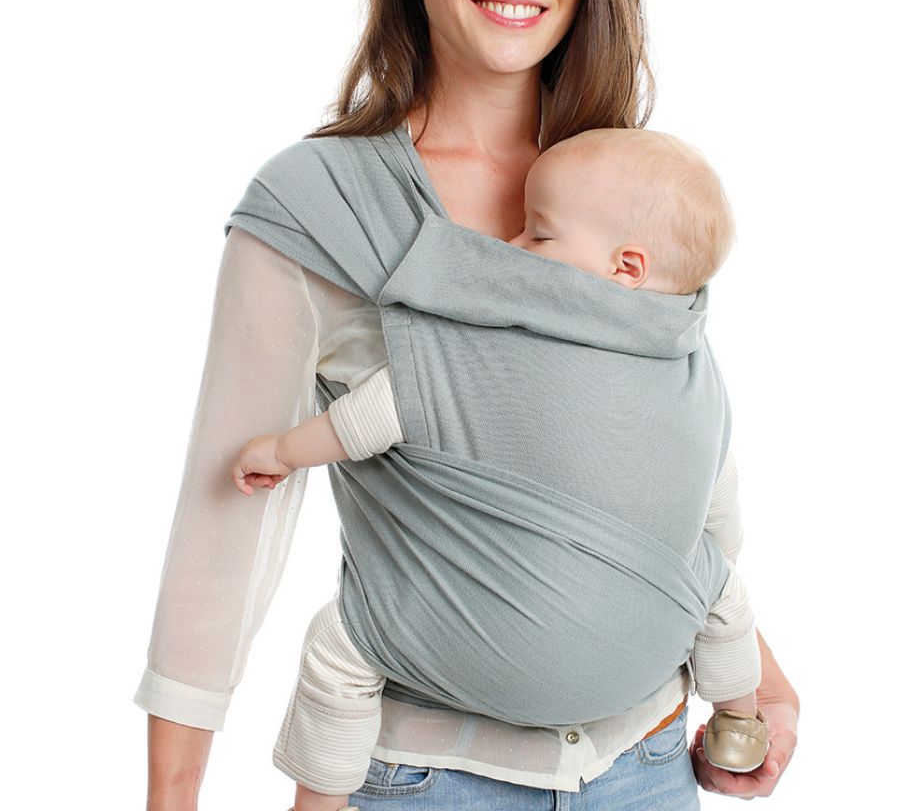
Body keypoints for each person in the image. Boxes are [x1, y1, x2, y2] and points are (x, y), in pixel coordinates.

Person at [136, 0, 799, 809]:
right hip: (430, 779)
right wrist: (170, 800)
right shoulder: (320, 208)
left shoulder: (627, 186)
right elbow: (221, 530)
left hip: (649, 764)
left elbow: (656, 472)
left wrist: (761, 679)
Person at [230, 127, 769, 811]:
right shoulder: (689, 366)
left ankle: (319, 800)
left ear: (626, 267)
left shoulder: (493, 342)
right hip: (647, 667)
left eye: (537, 234)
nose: (511, 246)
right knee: (724, 591)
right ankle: (738, 727)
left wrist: (282, 452)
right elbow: (715, 495)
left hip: (481, 668)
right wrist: (686, 571)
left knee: (341, 649)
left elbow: (379, 411)